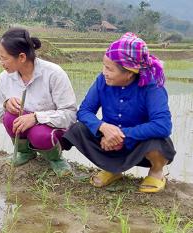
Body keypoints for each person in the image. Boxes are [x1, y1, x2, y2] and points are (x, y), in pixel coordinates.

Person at [62, 32, 176, 193]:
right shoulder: (102, 80)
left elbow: (163, 125)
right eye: (104, 66)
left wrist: (121, 134)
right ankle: (112, 169)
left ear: (129, 72)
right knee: (78, 129)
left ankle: (156, 172)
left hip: (139, 145)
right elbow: (85, 111)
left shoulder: (151, 85)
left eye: (109, 69)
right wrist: (103, 127)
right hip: (108, 143)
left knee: (159, 142)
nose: (104, 72)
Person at [0, 28, 77, 177]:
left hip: (51, 129)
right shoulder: (4, 78)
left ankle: (56, 159)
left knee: (39, 134)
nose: (1, 63)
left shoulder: (54, 74)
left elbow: (70, 115)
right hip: (24, 126)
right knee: (9, 116)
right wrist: (6, 104)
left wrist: (36, 118)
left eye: (4, 58)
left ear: (21, 57)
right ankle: (25, 153)